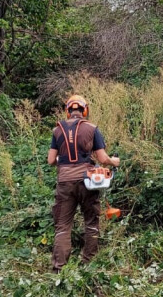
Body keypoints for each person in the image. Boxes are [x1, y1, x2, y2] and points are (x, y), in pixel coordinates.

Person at [47, 95, 120, 272]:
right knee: (91, 222)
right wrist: (113, 161)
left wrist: (64, 163)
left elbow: (50, 161)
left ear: (68, 111)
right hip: (88, 181)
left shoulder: (57, 131)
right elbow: (102, 158)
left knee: (62, 227)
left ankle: (59, 269)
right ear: (85, 110)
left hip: (64, 182)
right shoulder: (92, 128)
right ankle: (89, 262)